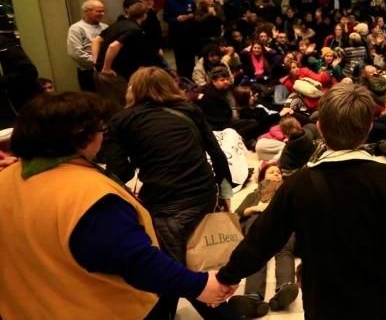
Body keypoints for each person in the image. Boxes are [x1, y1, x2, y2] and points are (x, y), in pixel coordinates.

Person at [216, 83, 386, 319]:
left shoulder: (298, 184)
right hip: (381, 297)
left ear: (320, 127)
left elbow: (261, 240)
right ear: (369, 127)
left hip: (324, 300)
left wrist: (227, 277)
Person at [0, 92, 231, 319]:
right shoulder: (89, 195)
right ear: (83, 136)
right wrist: (199, 285)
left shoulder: (7, 178)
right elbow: (137, 262)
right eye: (102, 129)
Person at [100, 67, 238, 319]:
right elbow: (216, 154)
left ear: (133, 90)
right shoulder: (189, 110)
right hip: (204, 192)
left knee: (172, 270)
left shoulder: (122, 121)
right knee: (180, 262)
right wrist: (225, 194)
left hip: (165, 202)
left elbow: (119, 171)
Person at [229, 163, 299, 317]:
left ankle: (284, 290)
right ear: (263, 177)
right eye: (271, 172)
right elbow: (238, 213)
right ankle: (253, 298)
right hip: (258, 223)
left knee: (284, 250)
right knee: (256, 253)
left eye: (278, 172)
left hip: (283, 223)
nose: (276, 174)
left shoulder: (288, 190)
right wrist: (256, 208)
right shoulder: (255, 194)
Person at [93, 2, 163, 110]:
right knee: (124, 105)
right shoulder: (134, 30)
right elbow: (113, 46)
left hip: (100, 74)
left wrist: (96, 62)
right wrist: (106, 68)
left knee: (110, 105)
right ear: (144, 15)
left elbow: (96, 40)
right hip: (113, 75)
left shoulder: (119, 24)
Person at [67, 0, 108, 92]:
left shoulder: (105, 27)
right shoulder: (76, 28)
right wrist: (97, 63)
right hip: (88, 72)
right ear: (87, 11)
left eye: (103, 11)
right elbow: (76, 53)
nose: (102, 14)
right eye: (98, 11)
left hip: (105, 69)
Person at [164, 0, 198, 79]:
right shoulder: (170, 3)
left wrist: (192, 16)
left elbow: (196, 13)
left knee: (190, 58)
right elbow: (165, 18)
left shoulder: (190, 1)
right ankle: (183, 78)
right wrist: (176, 19)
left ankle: (192, 77)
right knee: (180, 58)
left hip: (190, 34)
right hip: (177, 35)